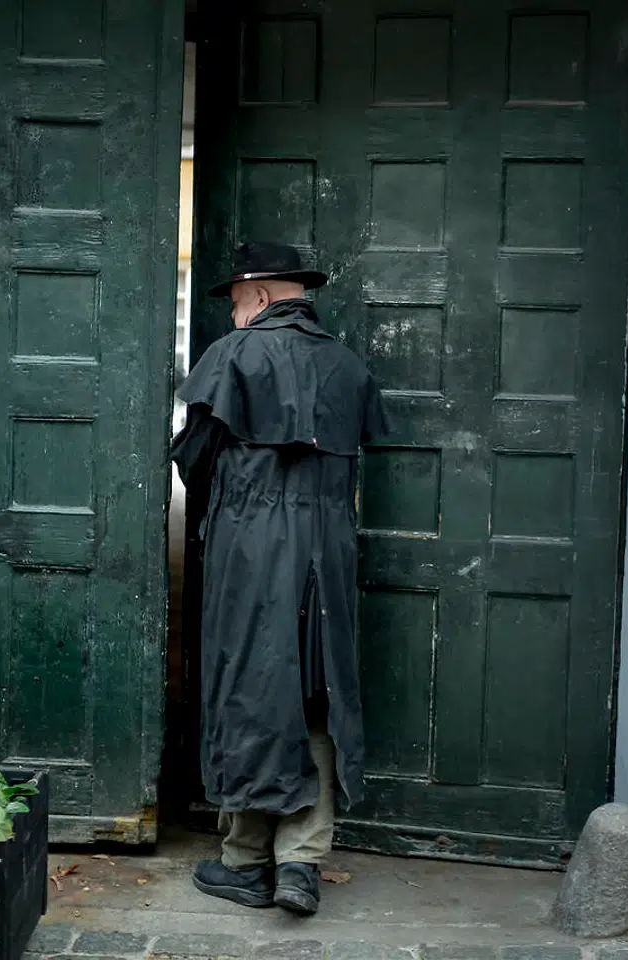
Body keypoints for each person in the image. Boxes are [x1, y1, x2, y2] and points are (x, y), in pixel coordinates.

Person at [170, 240, 390, 916]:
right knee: (314, 691)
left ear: (260, 296)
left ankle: (243, 863)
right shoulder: (348, 367)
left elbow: (194, 461)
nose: (235, 316)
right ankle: (300, 864)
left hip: (251, 547)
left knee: (247, 684)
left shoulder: (232, 358)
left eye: (237, 303)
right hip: (328, 548)